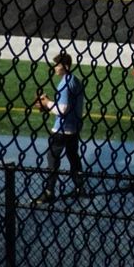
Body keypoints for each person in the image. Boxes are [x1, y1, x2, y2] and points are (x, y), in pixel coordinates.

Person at [33, 52, 85, 203]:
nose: (55, 68)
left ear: (65, 66)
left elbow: (62, 109)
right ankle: (80, 188)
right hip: (73, 128)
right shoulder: (75, 80)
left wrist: (47, 103)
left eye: (58, 65)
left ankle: (49, 191)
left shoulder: (64, 84)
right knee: (73, 157)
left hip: (61, 130)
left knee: (52, 158)